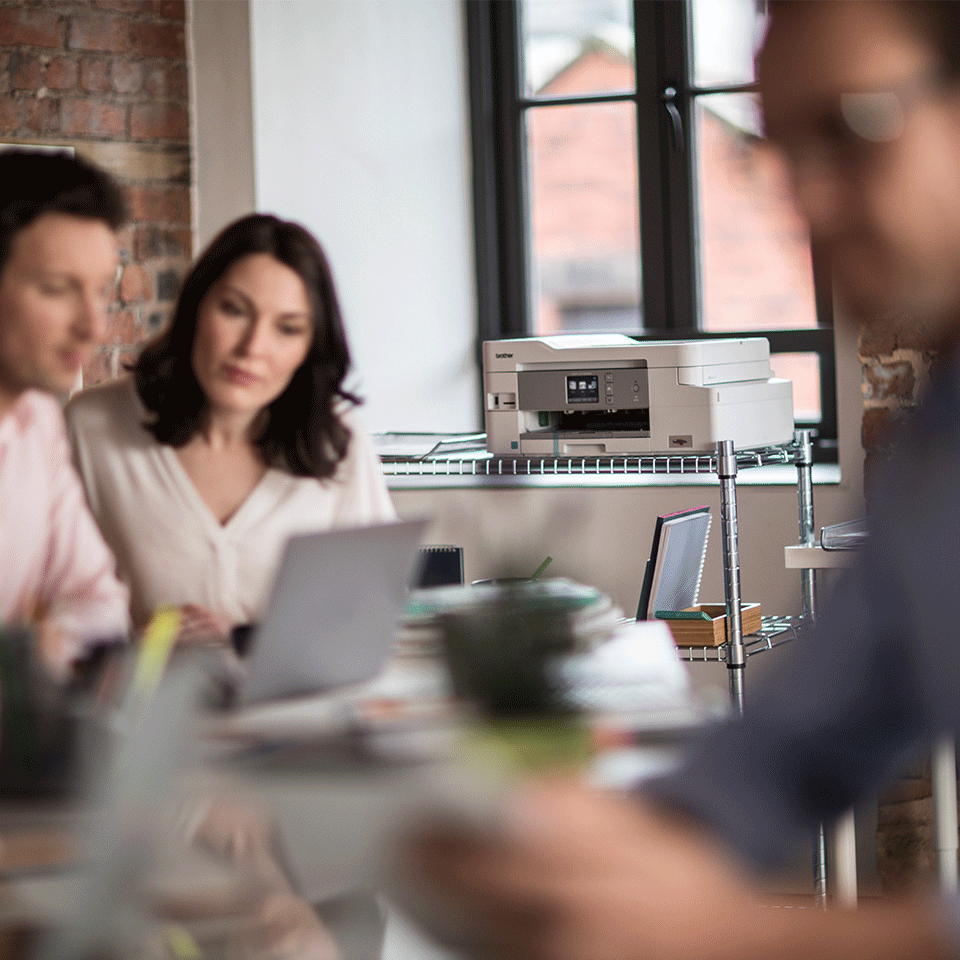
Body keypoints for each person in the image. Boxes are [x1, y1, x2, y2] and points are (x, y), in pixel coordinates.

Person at [408, 3, 960, 960]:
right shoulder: (937, 450)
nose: (813, 204)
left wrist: (731, 934)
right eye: (782, 149)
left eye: (854, 126)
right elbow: (801, 737)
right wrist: (582, 856)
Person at [65, 214, 395, 640]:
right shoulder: (93, 427)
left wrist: (245, 639)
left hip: (300, 706)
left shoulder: (339, 442)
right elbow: (42, 609)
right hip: (143, 703)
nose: (252, 348)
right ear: (196, 307)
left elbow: (373, 618)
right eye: (234, 310)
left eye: (287, 328)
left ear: (309, 348)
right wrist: (136, 646)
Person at [0, 148, 129, 676]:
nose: (94, 327)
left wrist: (37, 647)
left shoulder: (39, 424)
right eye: (57, 289)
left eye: (100, 291)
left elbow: (102, 605)